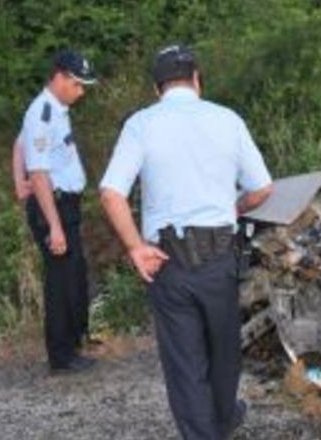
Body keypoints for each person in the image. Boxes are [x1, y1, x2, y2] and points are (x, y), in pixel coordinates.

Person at [99, 44, 273, 440]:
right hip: (219, 260)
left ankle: (208, 429)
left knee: (185, 363)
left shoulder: (141, 125)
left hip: (168, 261)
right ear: (197, 79)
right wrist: (234, 207)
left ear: (156, 88)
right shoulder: (227, 120)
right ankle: (223, 419)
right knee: (224, 354)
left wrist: (134, 248)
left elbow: (111, 193)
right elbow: (262, 188)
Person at [18, 49, 96, 373]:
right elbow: (38, 173)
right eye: (77, 85)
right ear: (60, 76)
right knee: (60, 281)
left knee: (74, 275)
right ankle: (61, 356)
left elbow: (18, 144)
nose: (81, 92)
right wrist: (54, 226)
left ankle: (73, 343)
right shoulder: (41, 113)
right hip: (54, 207)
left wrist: (15, 182)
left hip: (65, 205)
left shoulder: (57, 109)